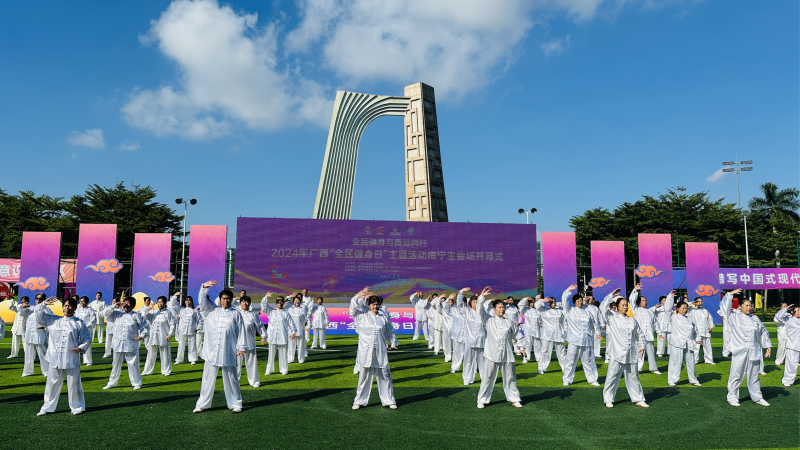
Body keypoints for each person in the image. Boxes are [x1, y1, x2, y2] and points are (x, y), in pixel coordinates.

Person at [194, 280, 246, 414]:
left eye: (229, 298)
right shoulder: (211, 310)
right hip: (211, 351)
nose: (226, 301)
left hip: (228, 350)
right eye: (224, 298)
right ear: (220, 299)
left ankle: (236, 404)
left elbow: (241, 331)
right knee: (207, 379)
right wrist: (204, 288)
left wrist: (241, 347)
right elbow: (202, 301)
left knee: (231, 378)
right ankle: (202, 404)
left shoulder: (236, 313)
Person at [35, 296, 91, 416]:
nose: (67, 308)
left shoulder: (78, 322)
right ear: (62, 307)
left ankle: (77, 406)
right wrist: (44, 304)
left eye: (71, 305)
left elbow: (87, 337)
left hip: (71, 356)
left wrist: (81, 347)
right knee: (52, 383)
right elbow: (38, 316)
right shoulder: (52, 320)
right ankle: (47, 407)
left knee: (74, 383)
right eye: (65, 305)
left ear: (75, 308)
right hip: (54, 357)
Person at [720, 289, 772, 406]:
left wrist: (767, 345)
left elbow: (763, 332)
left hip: (754, 350)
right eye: (746, 305)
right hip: (740, 350)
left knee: (754, 375)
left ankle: (757, 397)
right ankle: (732, 397)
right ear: (740, 307)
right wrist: (730, 294)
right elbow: (724, 308)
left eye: (750, 305)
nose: (749, 307)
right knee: (736, 374)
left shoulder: (755, 318)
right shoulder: (733, 316)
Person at [600, 289, 649, 408]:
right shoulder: (612, 317)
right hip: (617, 353)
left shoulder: (632, 320)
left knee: (633, 376)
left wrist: (642, 346)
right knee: (612, 375)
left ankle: (638, 398)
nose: (625, 307)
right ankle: (608, 399)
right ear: (617, 307)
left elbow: (639, 335)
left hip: (631, 353)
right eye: (623, 305)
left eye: (626, 305)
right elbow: (603, 307)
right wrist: (611, 295)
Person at [350, 287, 398, 410]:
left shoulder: (383, 317)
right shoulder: (362, 315)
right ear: (368, 305)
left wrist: (393, 342)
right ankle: (359, 401)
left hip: (380, 351)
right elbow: (352, 309)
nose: (375, 306)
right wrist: (358, 296)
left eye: (377, 304)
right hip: (366, 351)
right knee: (364, 377)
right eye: (373, 304)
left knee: (385, 375)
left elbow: (390, 331)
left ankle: (389, 400)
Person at [476, 293, 525, 408]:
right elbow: (479, 310)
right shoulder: (488, 320)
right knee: (487, 377)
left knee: (510, 377)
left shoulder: (509, 322)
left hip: (507, 354)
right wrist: (482, 297)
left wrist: (521, 347)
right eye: (499, 307)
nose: (502, 309)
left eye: (503, 307)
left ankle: (515, 398)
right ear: (494, 309)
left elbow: (517, 335)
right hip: (491, 353)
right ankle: (481, 400)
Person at [102, 296, 148, 390]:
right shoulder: (117, 313)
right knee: (115, 364)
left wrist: (142, 336)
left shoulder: (137, 315)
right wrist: (114, 305)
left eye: (129, 303)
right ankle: (112, 382)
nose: (126, 305)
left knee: (133, 363)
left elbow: (145, 327)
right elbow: (103, 313)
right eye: (125, 302)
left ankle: (136, 382)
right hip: (118, 343)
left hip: (131, 343)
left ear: (133, 305)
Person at [560, 286, 601, 386]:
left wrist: (598, 333)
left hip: (587, 339)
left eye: (582, 300)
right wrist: (568, 290)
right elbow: (564, 300)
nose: (581, 302)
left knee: (588, 360)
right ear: (574, 301)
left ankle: (592, 379)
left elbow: (594, 323)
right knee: (570, 360)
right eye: (579, 300)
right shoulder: (570, 310)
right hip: (574, 340)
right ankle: (567, 378)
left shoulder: (587, 312)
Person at [664, 291, 702, 387]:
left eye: (686, 308)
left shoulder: (689, 319)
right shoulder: (673, 317)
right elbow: (667, 309)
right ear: (677, 308)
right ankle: (672, 379)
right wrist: (670, 297)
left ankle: (693, 379)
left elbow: (695, 330)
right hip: (677, 342)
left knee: (691, 362)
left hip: (688, 343)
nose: (685, 310)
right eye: (683, 308)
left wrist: (697, 339)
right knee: (675, 361)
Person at [261, 293, 297, 375]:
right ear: (276, 303)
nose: (279, 303)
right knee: (271, 354)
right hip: (272, 336)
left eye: (281, 302)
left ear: (283, 303)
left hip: (283, 336)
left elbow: (291, 323)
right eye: (278, 302)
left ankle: (284, 369)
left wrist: (293, 332)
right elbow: (263, 306)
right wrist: (266, 296)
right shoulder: (271, 311)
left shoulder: (286, 313)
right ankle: (269, 370)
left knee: (283, 354)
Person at [628, 285, 662, 374]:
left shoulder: (650, 311)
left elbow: (655, 323)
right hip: (639, 336)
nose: (645, 302)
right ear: (639, 302)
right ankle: (638, 369)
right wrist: (635, 290)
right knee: (639, 354)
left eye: (646, 300)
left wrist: (659, 332)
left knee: (651, 353)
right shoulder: (636, 309)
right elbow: (631, 300)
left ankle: (654, 369)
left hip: (649, 335)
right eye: (643, 300)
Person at [462, 287, 490, 385]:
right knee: (468, 360)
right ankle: (467, 378)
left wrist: (481, 297)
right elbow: (460, 303)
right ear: (470, 304)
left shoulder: (483, 313)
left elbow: (481, 305)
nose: (475, 304)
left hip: (481, 340)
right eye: (473, 302)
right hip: (470, 340)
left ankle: (484, 377)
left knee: (482, 361)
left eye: (477, 302)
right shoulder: (467, 312)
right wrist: (461, 292)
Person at [237, 295, 266, 387]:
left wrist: (263, 336)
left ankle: (254, 381)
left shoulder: (253, 314)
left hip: (249, 342)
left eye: (246, 302)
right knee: (236, 364)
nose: (244, 304)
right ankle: (234, 381)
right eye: (242, 302)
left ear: (249, 303)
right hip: (237, 343)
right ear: (240, 303)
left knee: (251, 363)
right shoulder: (236, 313)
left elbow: (260, 326)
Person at [142, 296, 176, 376]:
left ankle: (166, 371)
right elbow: (144, 316)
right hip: (153, 336)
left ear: (165, 303)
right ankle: (147, 371)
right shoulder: (154, 312)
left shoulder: (168, 312)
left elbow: (172, 324)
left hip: (164, 336)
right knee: (150, 354)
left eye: (162, 302)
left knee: (165, 354)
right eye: (159, 302)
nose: (160, 304)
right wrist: (147, 309)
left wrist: (170, 334)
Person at [535, 295, 567, 375]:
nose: (553, 303)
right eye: (551, 302)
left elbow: (564, 322)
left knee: (562, 352)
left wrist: (565, 331)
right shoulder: (544, 310)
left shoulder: (560, 311)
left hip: (559, 334)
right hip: (547, 334)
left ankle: (565, 368)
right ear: (548, 303)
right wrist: (543, 301)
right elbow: (536, 306)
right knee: (544, 351)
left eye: (554, 301)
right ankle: (541, 367)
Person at [774, 304, 800, 386]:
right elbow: (778, 317)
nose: (799, 312)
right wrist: (785, 309)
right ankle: (787, 380)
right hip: (793, 346)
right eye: (798, 310)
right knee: (791, 365)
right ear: (793, 312)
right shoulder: (788, 319)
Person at [22, 301, 49, 377]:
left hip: (40, 334)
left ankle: (46, 371)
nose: (38, 300)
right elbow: (19, 311)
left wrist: (45, 326)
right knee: (28, 355)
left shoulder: (47, 310)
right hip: (29, 335)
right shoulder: (30, 309)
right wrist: (22, 306)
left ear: (44, 300)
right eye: (37, 298)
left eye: (40, 299)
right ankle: (28, 371)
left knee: (43, 354)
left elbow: (51, 321)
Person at [446, 289, 468, 374]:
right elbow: (445, 309)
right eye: (461, 303)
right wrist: (449, 299)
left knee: (468, 354)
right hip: (456, 335)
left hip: (467, 336)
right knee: (456, 353)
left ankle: (469, 369)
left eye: (464, 303)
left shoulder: (469, 311)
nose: (462, 305)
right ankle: (454, 367)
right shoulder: (454, 310)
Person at [175, 296, 201, 365]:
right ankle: (179, 359)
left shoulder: (195, 311)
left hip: (191, 329)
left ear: (192, 302)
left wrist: (198, 328)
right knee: (181, 344)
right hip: (182, 329)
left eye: (189, 300)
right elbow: (173, 304)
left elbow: (200, 320)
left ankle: (192, 359)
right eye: (186, 300)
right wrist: (175, 296)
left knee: (192, 345)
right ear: (184, 302)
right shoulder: (181, 309)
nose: (188, 302)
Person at [690, 297, 715, 365]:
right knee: (696, 347)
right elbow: (686, 306)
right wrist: (692, 303)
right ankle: (694, 360)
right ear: (695, 302)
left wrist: (711, 327)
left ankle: (709, 360)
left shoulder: (705, 311)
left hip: (705, 331)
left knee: (707, 346)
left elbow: (710, 319)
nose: (700, 303)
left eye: (701, 301)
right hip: (696, 332)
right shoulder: (691, 310)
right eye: (698, 301)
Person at [517, 296, 542, 364]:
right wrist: (526, 298)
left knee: (537, 345)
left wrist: (540, 323)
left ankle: (539, 358)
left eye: (533, 302)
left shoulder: (538, 310)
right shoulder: (525, 309)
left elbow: (540, 320)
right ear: (528, 303)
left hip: (536, 330)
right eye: (530, 302)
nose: (532, 304)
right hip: (528, 330)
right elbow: (519, 304)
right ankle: (526, 357)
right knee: (528, 345)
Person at [286, 294, 310, 363]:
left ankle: (301, 358)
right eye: (295, 300)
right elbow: (287, 318)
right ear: (293, 301)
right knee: (291, 346)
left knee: (300, 345)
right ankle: (290, 358)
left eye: (298, 300)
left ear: (300, 301)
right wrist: (289, 297)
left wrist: (308, 326)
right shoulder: (290, 309)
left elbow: (307, 318)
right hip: (291, 330)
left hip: (300, 329)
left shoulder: (303, 309)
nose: (296, 301)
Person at [74, 296, 98, 366]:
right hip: (78, 329)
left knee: (87, 344)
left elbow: (93, 319)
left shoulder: (90, 310)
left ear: (87, 302)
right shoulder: (77, 310)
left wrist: (87, 325)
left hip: (87, 329)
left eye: (83, 301)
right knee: (77, 344)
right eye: (81, 301)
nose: (82, 303)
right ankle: (76, 360)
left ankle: (88, 361)